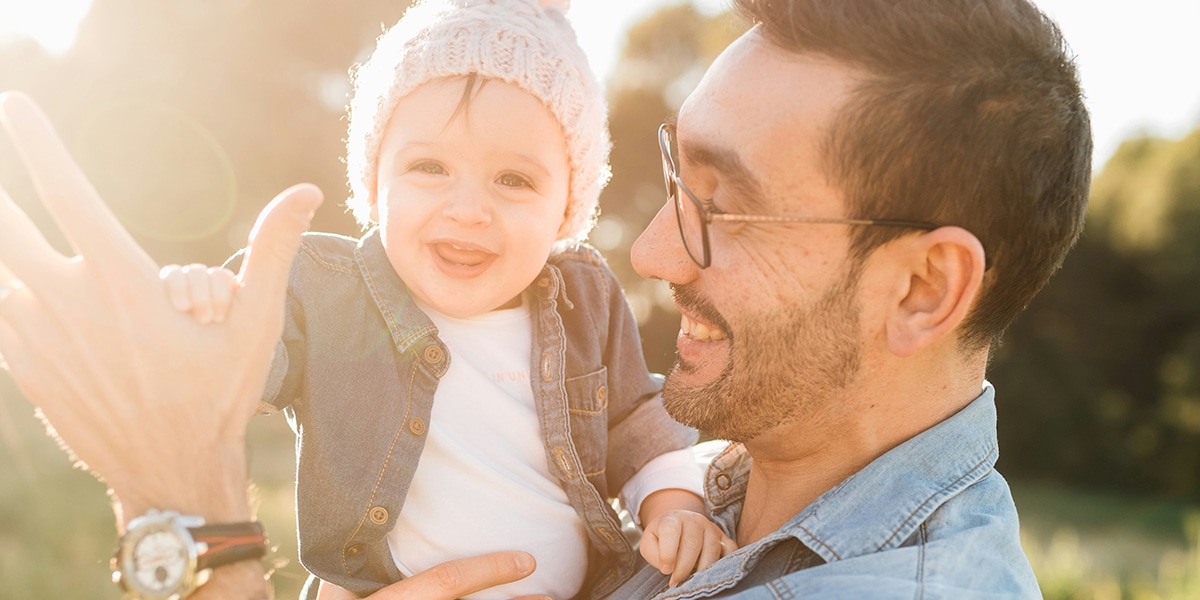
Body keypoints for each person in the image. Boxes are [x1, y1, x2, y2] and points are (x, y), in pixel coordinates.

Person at [0, 0, 1091, 597]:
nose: (655, 253)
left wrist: (182, 513)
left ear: (923, 288)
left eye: (728, 205)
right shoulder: (731, 480)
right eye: (674, 183)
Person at [160, 0, 733, 598]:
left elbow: (637, 424)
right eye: (429, 167)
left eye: (513, 180)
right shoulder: (327, 293)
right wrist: (203, 314)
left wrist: (674, 508)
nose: (467, 211)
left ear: (567, 208)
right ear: (375, 185)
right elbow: (234, 367)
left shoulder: (584, 300)